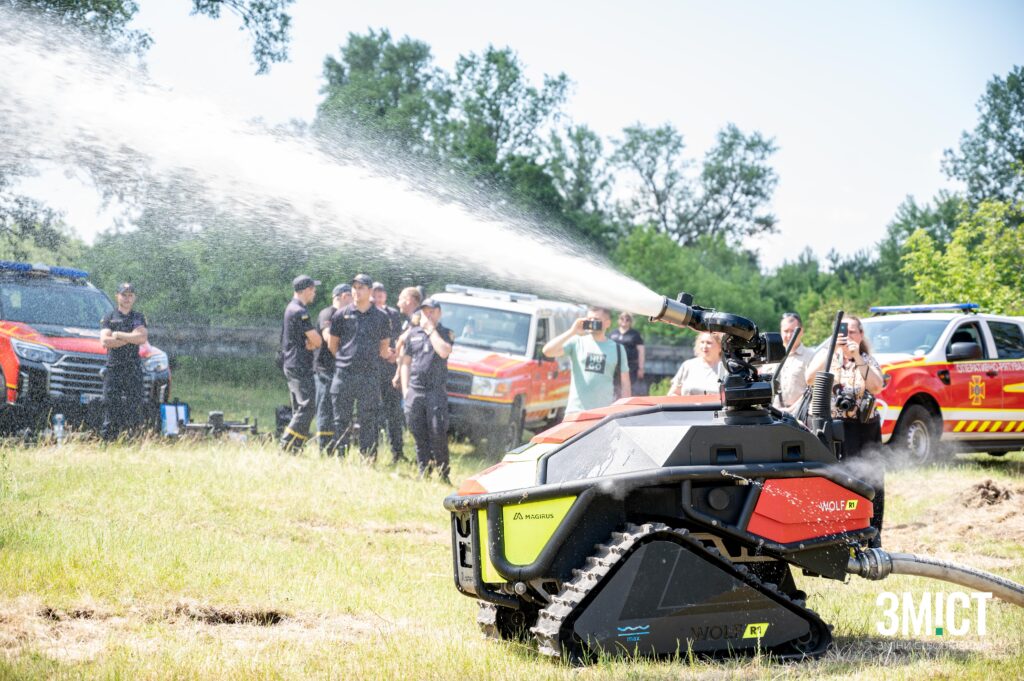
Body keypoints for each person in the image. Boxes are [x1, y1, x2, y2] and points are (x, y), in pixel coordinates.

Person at [805, 314, 886, 547]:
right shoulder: (826, 357)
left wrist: (857, 357)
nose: (848, 336)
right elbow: (809, 378)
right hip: (836, 429)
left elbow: (877, 386)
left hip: (865, 429)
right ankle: (841, 533)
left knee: (871, 480)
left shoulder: (867, 360)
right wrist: (832, 350)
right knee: (839, 480)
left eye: (853, 332)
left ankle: (872, 533)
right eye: (843, 331)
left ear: (861, 335)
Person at [327, 273, 391, 459]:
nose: (356, 291)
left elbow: (384, 346)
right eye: (354, 287)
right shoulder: (341, 314)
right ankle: (340, 456)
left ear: (370, 291)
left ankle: (368, 458)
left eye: (361, 287)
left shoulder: (380, 317)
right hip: (344, 374)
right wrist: (346, 360)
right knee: (341, 419)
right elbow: (333, 345)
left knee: (369, 419)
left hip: (368, 375)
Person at [400, 297, 455, 482]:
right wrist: (406, 390)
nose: (428, 314)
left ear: (439, 313)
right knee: (418, 433)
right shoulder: (413, 333)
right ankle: (424, 472)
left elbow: (444, 351)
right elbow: (405, 363)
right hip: (415, 390)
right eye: (424, 311)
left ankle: (443, 473)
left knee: (437, 432)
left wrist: (430, 330)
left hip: (435, 391)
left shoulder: (444, 333)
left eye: (431, 311)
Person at [542, 306, 630, 413]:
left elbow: (625, 383)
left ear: (607, 323)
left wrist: (625, 411)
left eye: (596, 320)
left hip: (603, 415)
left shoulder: (618, 349)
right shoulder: (577, 342)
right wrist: (572, 331)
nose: (592, 322)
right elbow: (547, 351)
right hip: (575, 412)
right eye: (589, 319)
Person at [99, 282, 149, 441]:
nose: (127, 299)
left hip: (133, 369)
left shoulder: (138, 317)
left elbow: (141, 338)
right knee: (110, 407)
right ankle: (108, 443)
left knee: (134, 407)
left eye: (130, 295)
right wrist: (130, 338)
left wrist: (119, 334)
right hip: (113, 369)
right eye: (124, 295)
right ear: (117, 296)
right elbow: (105, 342)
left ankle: (134, 442)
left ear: (134, 297)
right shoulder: (109, 317)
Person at [279, 275, 323, 453]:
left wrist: (312, 342)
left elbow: (312, 341)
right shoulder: (299, 311)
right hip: (299, 364)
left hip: (293, 363)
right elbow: (317, 341)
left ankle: (295, 449)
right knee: (308, 405)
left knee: (300, 407)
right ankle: (286, 443)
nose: (315, 292)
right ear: (305, 290)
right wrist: (314, 342)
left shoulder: (293, 308)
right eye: (313, 289)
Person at [313, 284, 351, 454]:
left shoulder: (347, 316)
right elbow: (329, 339)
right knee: (325, 409)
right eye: (351, 295)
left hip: (340, 371)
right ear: (343, 296)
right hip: (325, 371)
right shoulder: (328, 313)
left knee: (340, 410)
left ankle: (340, 447)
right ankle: (325, 449)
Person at [373, 281, 406, 463]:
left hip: (390, 367)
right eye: (375, 294)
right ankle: (372, 450)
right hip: (374, 367)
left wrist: (395, 354)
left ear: (385, 296)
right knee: (373, 411)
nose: (378, 297)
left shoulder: (393, 314)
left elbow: (398, 338)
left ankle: (397, 452)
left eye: (380, 294)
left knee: (393, 412)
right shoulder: (368, 313)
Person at [769, 312, 816, 412]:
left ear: (801, 331)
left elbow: (813, 390)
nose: (789, 335)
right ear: (780, 332)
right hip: (773, 416)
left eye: (793, 331)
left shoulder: (811, 356)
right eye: (786, 331)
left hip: (800, 416)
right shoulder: (772, 357)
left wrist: (791, 409)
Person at [668, 332, 723, 396]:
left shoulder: (726, 368)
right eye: (702, 342)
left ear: (720, 347)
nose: (704, 346)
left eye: (709, 343)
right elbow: (673, 394)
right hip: (688, 405)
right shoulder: (688, 365)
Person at [609, 312, 646, 396]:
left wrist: (641, 368)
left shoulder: (635, 334)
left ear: (631, 321)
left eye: (627, 319)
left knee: (629, 386)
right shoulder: (613, 333)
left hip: (631, 366)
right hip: (614, 365)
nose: (624, 321)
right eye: (622, 318)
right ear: (618, 320)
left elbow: (641, 352)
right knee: (614, 387)